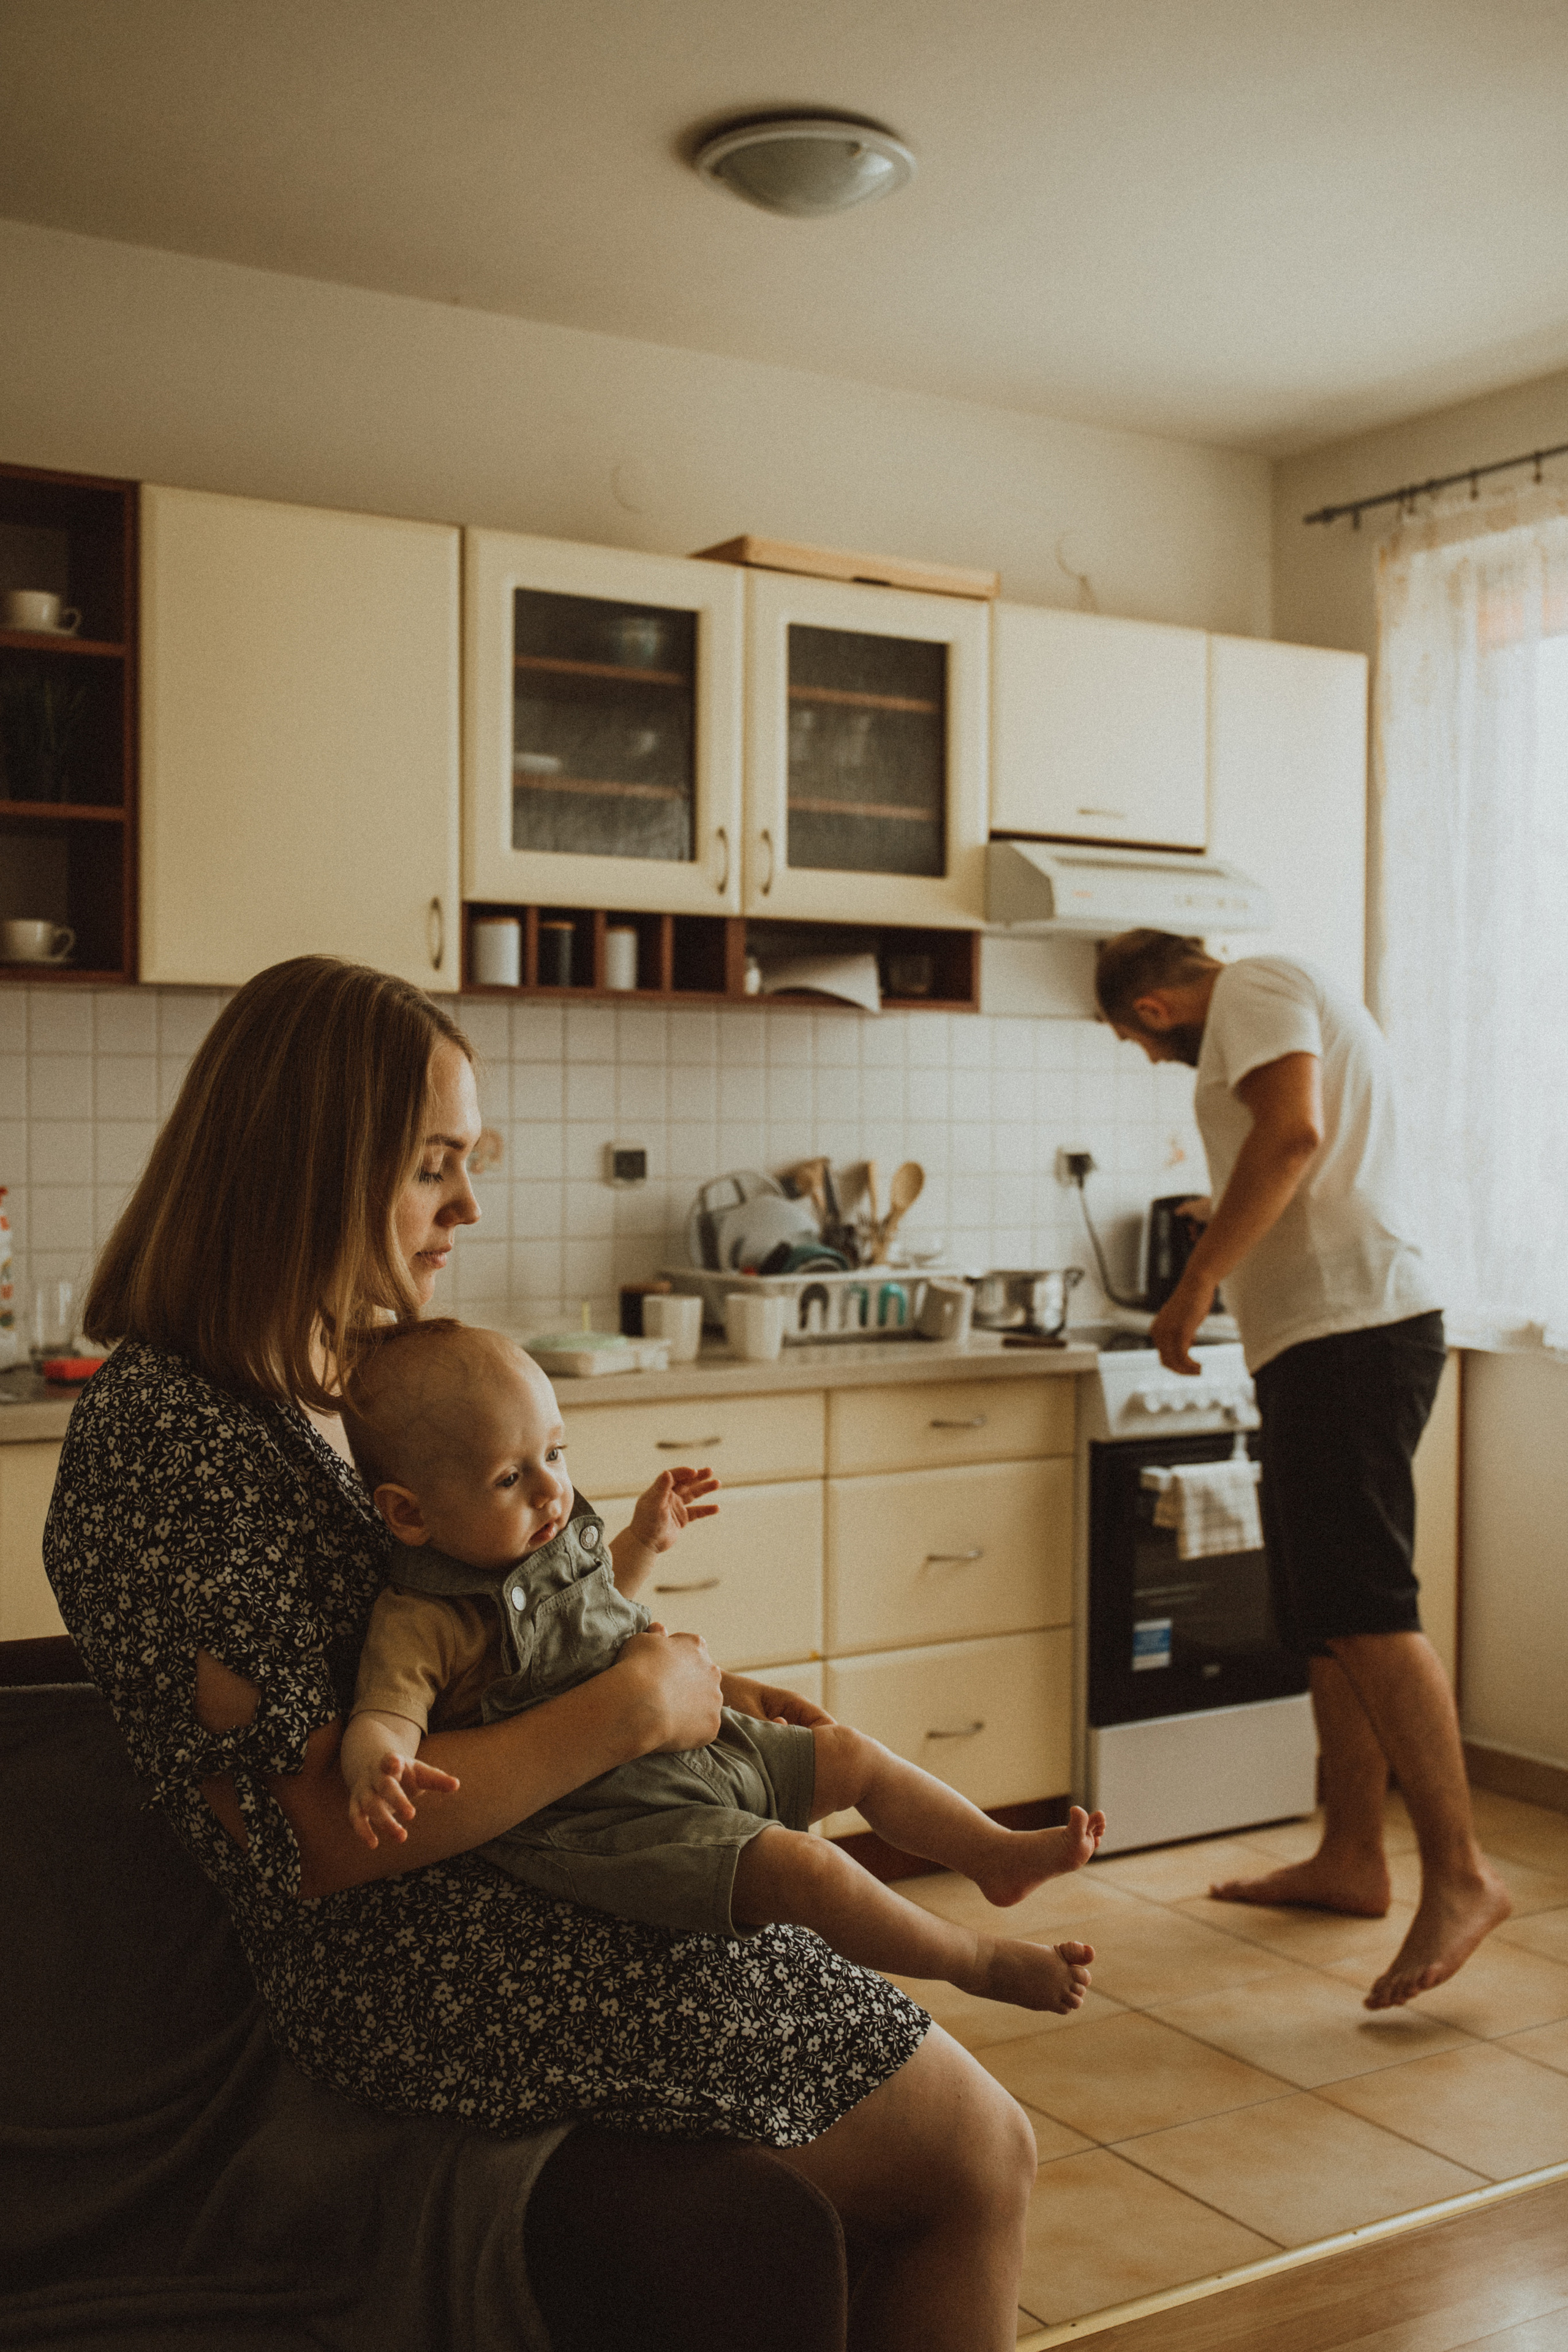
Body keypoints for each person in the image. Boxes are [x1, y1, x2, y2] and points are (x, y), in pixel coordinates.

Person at [45, 954, 1042, 2352]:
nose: (465, 1202)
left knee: (959, 2155)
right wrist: (633, 1710)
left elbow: (480, 1650)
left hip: (539, 1889)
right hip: (438, 1963)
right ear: (313, 1168)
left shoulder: (329, 1390)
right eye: (432, 1164)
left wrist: (691, 1695)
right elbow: (305, 1837)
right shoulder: (171, 1438)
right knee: (977, 2156)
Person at [338, 1319, 1104, 2011]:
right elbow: (387, 1711)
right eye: (510, 1478)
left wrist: (643, 1543)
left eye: (555, 1453)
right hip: (618, 1820)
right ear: (408, 1513)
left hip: (697, 1748)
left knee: (851, 1756)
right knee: (811, 1871)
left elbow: (598, 1612)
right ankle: (976, 1962)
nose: (550, 1490)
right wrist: (379, 1765)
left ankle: (992, 1853)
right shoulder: (424, 1618)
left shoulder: (543, 1542)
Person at [1095, 929, 1509, 2012]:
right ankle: (1351, 1857)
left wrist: (1194, 1287)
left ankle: (1460, 1876)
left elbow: (1291, 1136)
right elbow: (1295, 1153)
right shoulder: (1276, 994)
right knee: (1327, 1612)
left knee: (1368, 1606)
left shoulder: (1257, 985)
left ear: (1149, 1011)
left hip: (1351, 1333)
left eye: (1140, 1046)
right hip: (1327, 1336)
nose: (1155, 1061)